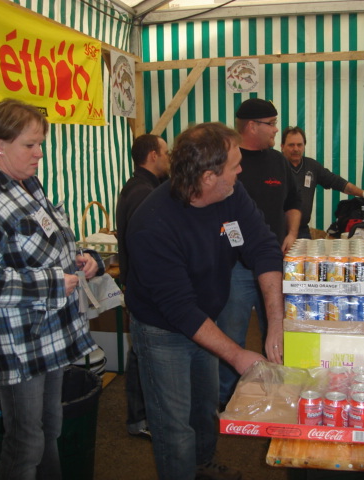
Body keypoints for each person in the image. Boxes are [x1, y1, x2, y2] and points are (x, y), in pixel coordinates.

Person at [0, 98, 104, 480]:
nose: (39, 153)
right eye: (30, 145)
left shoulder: (27, 185)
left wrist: (82, 258)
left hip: (49, 333)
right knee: (26, 441)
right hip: (16, 343)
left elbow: (40, 245)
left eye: (40, 143)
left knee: (51, 428)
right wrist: (50, 283)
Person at [124, 122, 284, 480]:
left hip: (206, 317)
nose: (241, 171)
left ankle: (202, 465)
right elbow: (179, 309)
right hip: (162, 330)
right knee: (175, 427)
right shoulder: (153, 223)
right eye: (235, 165)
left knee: (204, 410)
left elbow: (263, 246)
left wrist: (276, 321)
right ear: (209, 177)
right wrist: (237, 355)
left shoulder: (231, 194)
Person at [215, 98, 300, 408]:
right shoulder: (226, 162)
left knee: (277, 335)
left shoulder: (278, 161)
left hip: (274, 265)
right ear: (252, 126)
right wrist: (242, 246)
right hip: (236, 269)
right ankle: (225, 403)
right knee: (231, 337)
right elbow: (220, 213)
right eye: (272, 124)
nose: (277, 129)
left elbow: (294, 202)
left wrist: (291, 233)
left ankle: (276, 400)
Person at [116, 134, 170, 440]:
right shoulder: (142, 192)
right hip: (143, 285)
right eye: (165, 152)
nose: (168, 158)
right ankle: (138, 418)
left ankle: (141, 415)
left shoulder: (143, 186)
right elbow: (144, 246)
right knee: (142, 353)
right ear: (152, 155)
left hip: (140, 283)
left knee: (141, 352)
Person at [280, 126, 364, 239]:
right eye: (291, 145)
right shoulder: (275, 166)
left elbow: (337, 182)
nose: (296, 149)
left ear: (304, 146)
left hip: (302, 231)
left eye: (299, 145)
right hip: (277, 230)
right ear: (282, 146)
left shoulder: (312, 166)